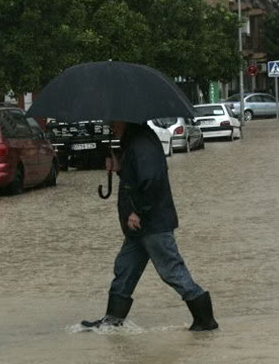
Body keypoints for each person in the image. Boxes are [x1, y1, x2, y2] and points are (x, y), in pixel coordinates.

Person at [81, 120, 218, 331]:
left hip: (152, 223)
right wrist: (119, 167)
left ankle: (205, 320)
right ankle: (112, 321)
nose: (111, 126)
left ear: (125, 119)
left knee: (171, 270)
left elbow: (152, 179)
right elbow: (136, 177)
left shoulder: (142, 142)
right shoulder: (133, 141)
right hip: (138, 227)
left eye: (114, 122)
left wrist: (139, 211)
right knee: (124, 268)